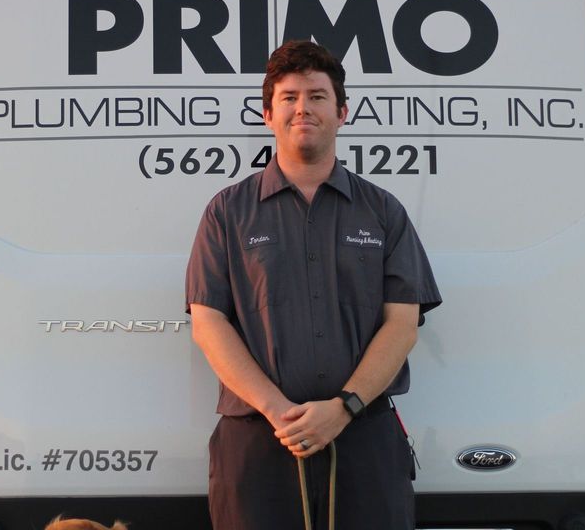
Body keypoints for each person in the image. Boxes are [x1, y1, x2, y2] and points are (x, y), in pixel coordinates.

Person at [185, 40, 441, 530]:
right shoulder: (227, 212)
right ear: (268, 114)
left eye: (318, 96)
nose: (304, 108)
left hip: (363, 436)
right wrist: (279, 410)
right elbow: (208, 322)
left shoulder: (382, 211)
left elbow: (402, 324)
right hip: (257, 441)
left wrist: (343, 408)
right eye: (289, 97)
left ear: (342, 112)